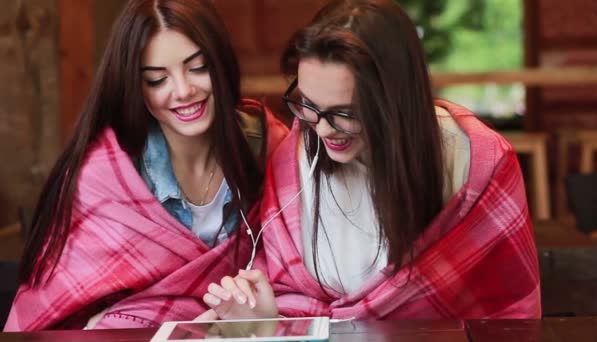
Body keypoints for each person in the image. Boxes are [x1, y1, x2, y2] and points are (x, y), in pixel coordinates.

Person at [200, 0, 541, 320]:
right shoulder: (294, 155)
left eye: (344, 113)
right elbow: (286, 294)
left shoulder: (479, 162)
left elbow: (507, 314)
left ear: (395, 99)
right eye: (307, 104)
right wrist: (260, 316)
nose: (320, 129)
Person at [5, 0, 287, 331]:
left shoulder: (268, 144)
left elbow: (298, 275)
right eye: (157, 80)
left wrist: (256, 311)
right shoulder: (103, 174)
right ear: (135, 87)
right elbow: (63, 312)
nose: (183, 91)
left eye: (198, 68)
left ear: (221, 63)